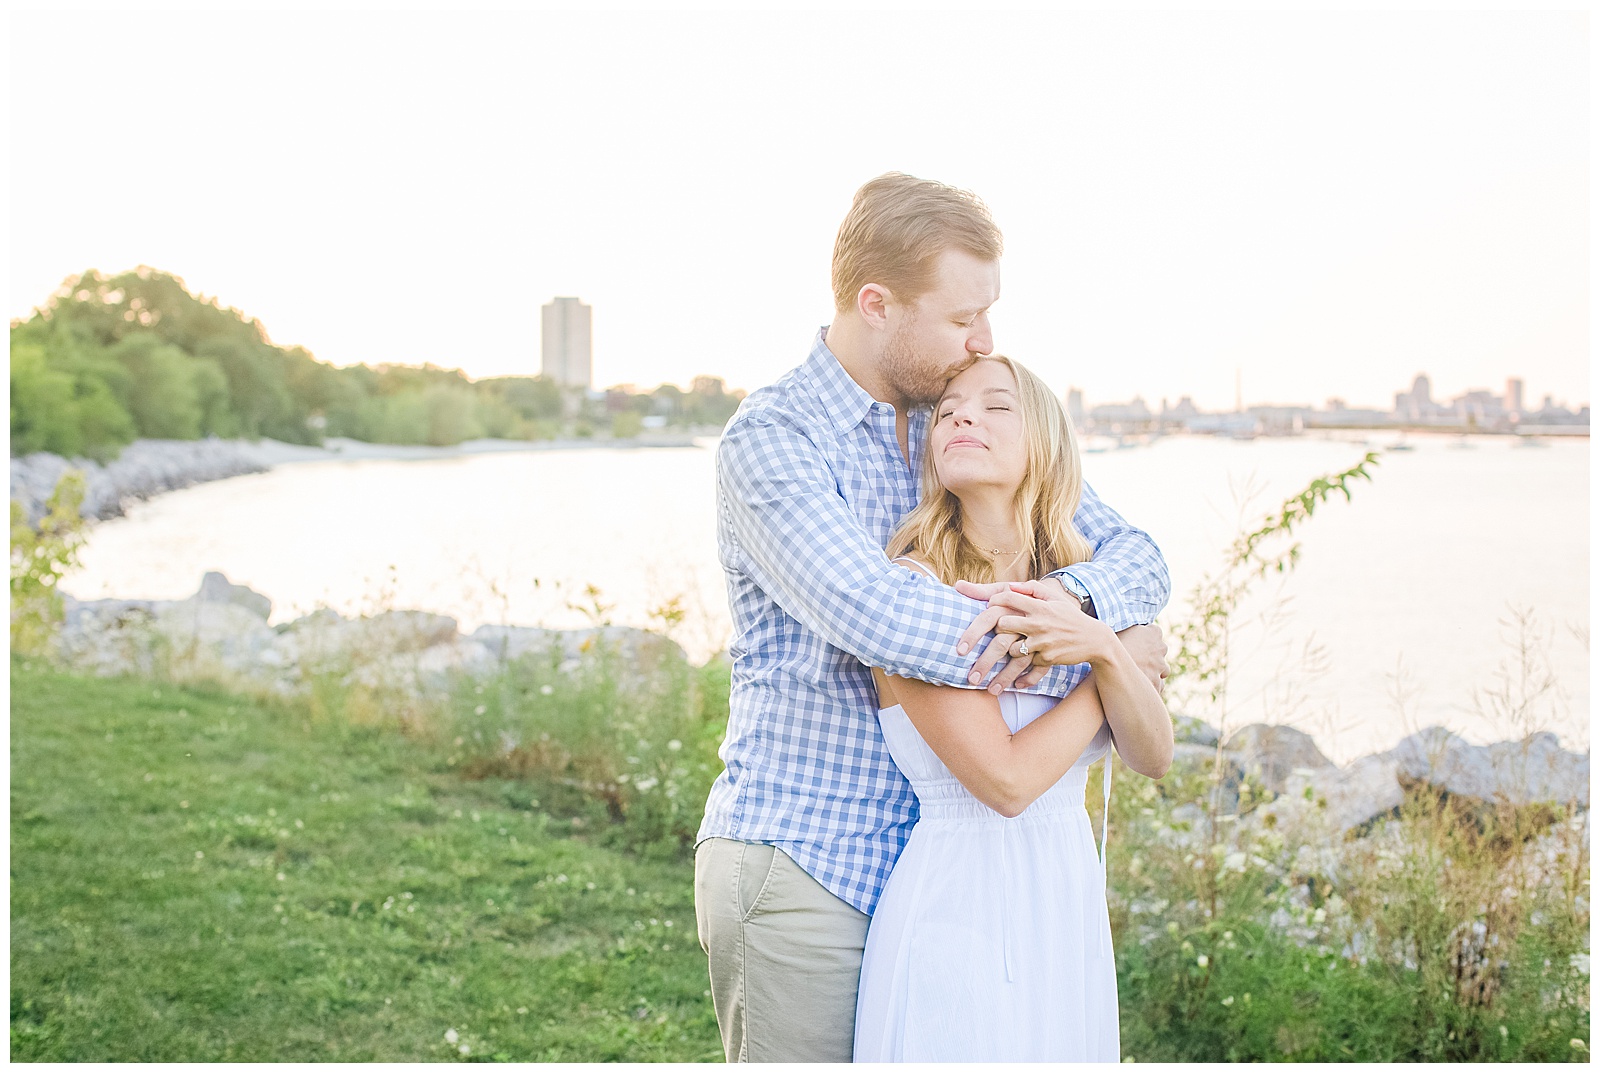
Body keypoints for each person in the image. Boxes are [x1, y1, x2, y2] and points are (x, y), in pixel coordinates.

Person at [693, 172, 1171, 1063]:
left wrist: (1085, 608)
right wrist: (1103, 655)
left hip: (941, 877)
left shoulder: (952, 423)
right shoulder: (777, 441)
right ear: (877, 303)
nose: (983, 341)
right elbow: (878, 614)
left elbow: (1133, 555)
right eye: (962, 319)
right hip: (808, 859)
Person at [852, 354, 1173, 1062]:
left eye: (997, 405)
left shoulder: (1087, 587)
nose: (964, 415)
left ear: (1047, 443)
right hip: (958, 902)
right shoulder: (914, 588)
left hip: (1065, 896)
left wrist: (1104, 644)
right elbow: (1005, 783)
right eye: (949, 409)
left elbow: (1153, 756)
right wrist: (1103, 663)